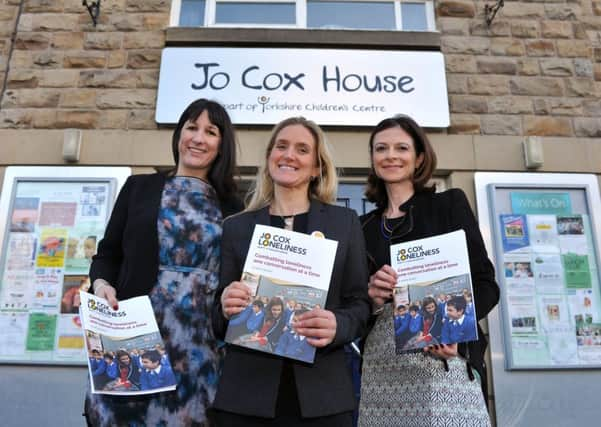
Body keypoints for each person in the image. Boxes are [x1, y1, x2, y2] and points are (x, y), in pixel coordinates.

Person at [82, 98, 243, 426]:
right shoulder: (139, 187)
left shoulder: (235, 206)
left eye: (210, 132)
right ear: (179, 134)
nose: (198, 138)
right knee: (125, 416)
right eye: (191, 128)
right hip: (136, 333)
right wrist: (101, 285)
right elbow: (107, 255)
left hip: (201, 345)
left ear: (221, 145)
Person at [212, 116, 371, 426]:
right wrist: (224, 305)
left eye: (302, 149)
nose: (288, 155)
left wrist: (338, 325)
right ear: (270, 157)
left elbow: (359, 303)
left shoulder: (345, 223)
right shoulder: (236, 227)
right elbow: (216, 319)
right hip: (246, 397)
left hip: (322, 396)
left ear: (316, 168)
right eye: (281, 146)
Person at [358, 115, 500, 426]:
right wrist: (370, 297)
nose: (391, 155)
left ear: (419, 157)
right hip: (381, 369)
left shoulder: (448, 205)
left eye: (401, 148)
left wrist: (454, 331)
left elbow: (487, 285)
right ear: (372, 158)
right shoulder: (362, 227)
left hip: (442, 355)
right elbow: (353, 306)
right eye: (381, 148)